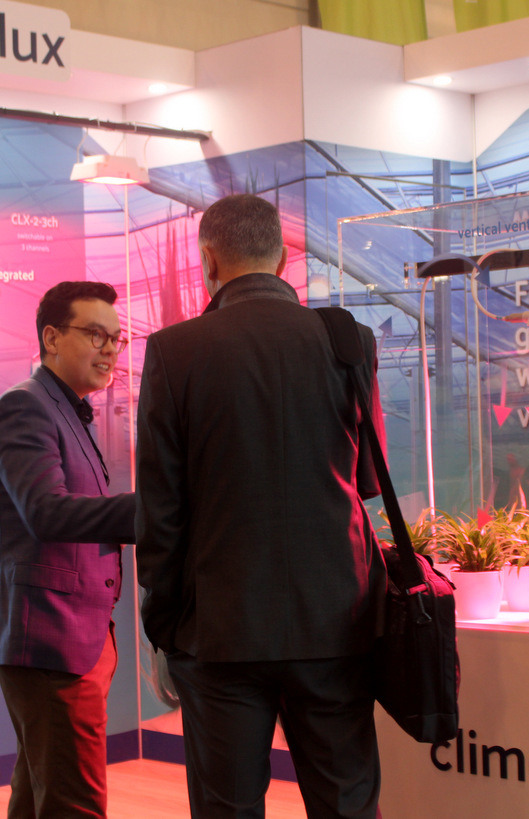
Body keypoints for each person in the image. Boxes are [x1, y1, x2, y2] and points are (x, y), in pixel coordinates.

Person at [135, 194, 387, 818]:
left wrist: (164, 629)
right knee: (348, 806)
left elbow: (161, 513)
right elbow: (367, 480)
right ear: (282, 259)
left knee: (228, 810)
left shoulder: (173, 351)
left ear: (208, 260)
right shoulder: (349, 341)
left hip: (220, 631)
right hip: (335, 622)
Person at [0, 280, 135, 818]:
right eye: (96, 335)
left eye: (116, 338)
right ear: (51, 338)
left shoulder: (68, 408)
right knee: (74, 805)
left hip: (77, 637)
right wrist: (154, 512)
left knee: (39, 798)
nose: (110, 349)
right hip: (50, 638)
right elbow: (45, 511)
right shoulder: (24, 407)